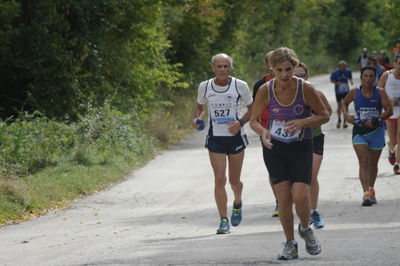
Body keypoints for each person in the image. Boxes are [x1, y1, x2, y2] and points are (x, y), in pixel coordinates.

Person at [250, 47, 329, 260]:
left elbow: (324, 115)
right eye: (279, 70)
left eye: (288, 69)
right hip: (275, 148)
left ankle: (305, 228)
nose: (284, 75)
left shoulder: (306, 89)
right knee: (284, 197)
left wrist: (303, 122)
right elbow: (254, 120)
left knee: (301, 195)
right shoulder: (265, 90)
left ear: (295, 66)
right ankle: (290, 243)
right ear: (271, 69)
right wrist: (263, 131)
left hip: (301, 146)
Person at [192, 53, 253, 234]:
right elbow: (199, 107)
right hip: (216, 138)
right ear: (213, 68)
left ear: (230, 67)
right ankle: (223, 220)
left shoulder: (240, 85)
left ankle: (238, 201)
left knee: (234, 181)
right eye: (219, 66)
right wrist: (196, 118)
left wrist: (240, 122)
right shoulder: (205, 86)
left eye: (226, 66)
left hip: (235, 137)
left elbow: (252, 109)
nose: (222, 70)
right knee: (219, 179)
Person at [342, 66, 392, 206]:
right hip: (359, 130)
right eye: (366, 76)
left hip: (376, 131)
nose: (368, 79)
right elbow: (344, 103)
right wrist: (346, 115)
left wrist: (376, 119)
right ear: (361, 78)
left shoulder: (380, 92)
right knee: (363, 160)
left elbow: (389, 110)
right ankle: (366, 194)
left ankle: (371, 188)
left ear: (375, 78)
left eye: (371, 76)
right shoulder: (354, 92)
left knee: (372, 164)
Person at [293, 63, 332, 229]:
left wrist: (312, 118)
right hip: (294, 142)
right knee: (296, 179)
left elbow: (328, 112)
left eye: (303, 75)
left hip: (315, 138)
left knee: (312, 175)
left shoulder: (317, 94)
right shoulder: (287, 96)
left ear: (307, 77)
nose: (300, 79)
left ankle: (314, 211)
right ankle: (303, 211)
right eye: (297, 76)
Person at [253, 50, 280, 217]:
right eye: (271, 61)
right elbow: (255, 111)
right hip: (267, 130)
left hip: (290, 130)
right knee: (274, 169)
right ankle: (279, 201)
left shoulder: (293, 82)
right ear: (266, 64)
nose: (274, 65)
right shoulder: (260, 85)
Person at [378, 54, 400, 173]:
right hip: (390, 111)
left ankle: (398, 164)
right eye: (399, 63)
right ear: (395, 63)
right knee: (394, 141)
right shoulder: (387, 75)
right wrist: (388, 101)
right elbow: (379, 91)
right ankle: (392, 150)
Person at [330, 60, 354, 129]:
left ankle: (345, 121)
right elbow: (331, 79)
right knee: (339, 106)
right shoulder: (335, 72)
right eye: (341, 67)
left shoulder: (348, 71)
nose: (342, 68)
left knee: (346, 105)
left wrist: (351, 81)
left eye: (344, 67)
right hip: (338, 91)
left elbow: (350, 77)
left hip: (346, 91)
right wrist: (337, 83)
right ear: (338, 66)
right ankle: (339, 120)